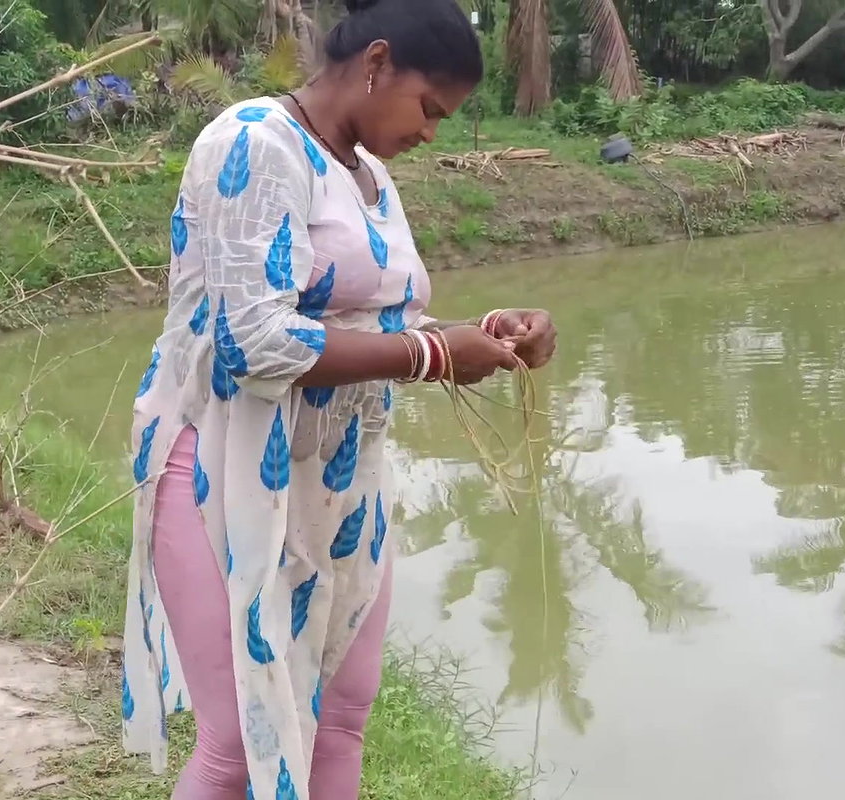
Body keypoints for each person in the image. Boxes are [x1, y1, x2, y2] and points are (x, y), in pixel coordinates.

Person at [119, 1, 558, 798]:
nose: (431, 132)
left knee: (339, 716)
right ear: (377, 63)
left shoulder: (367, 174)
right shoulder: (251, 143)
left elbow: (377, 322)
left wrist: (484, 334)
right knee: (239, 737)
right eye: (429, 108)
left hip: (340, 482)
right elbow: (252, 340)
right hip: (227, 473)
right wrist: (429, 355)